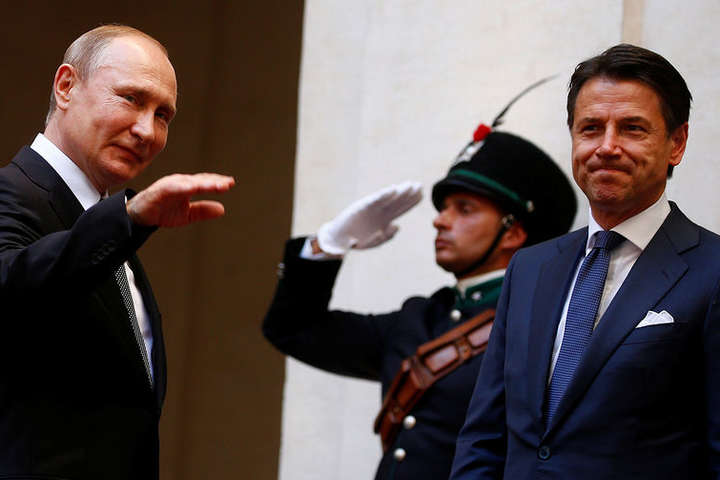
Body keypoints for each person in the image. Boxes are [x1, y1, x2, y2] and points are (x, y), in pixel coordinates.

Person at [450, 44, 720, 479]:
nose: (607, 147)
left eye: (632, 128)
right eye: (591, 128)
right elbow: (484, 437)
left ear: (677, 143)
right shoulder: (530, 268)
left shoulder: (711, 270)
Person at [262, 120, 576, 479]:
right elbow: (292, 329)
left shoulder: (540, 326)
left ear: (512, 233)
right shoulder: (419, 318)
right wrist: (326, 246)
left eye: (464, 209)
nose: (440, 220)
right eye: (444, 208)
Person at [0, 25, 234, 479]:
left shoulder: (106, 221)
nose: (147, 130)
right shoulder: (13, 194)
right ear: (66, 87)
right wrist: (129, 219)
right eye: (131, 98)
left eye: (163, 115)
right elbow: (12, 285)